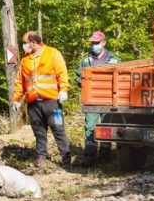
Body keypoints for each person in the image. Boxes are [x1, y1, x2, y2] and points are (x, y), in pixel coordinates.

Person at [12, 31, 71, 168]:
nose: (24, 46)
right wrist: (16, 98)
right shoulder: (25, 59)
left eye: (25, 43)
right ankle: (41, 158)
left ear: (33, 42)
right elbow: (20, 81)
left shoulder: (52, 53)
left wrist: (63, 90)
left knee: (58, 128)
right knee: (39, 132)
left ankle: (66, 157)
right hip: (33, 103)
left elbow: (62, 72)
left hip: (53, 103)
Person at [75, 30, 121, 167]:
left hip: (108, 100)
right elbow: (78, 77)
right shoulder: (85, 60)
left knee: (106, 128)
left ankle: (105, 156)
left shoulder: (114, 60)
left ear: (104, 43)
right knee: (90, 128)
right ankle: (89, 157)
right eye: (93, 43)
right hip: (91, 101)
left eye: (97, 42)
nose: (94, 45)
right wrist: (82, 84)